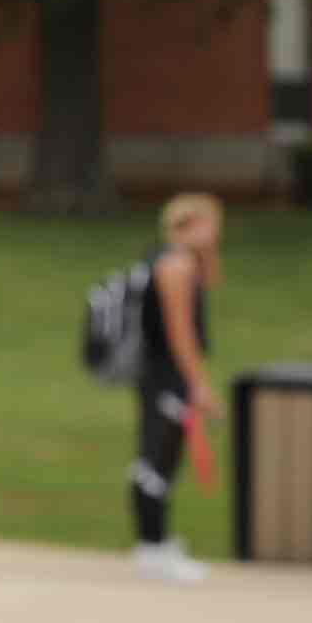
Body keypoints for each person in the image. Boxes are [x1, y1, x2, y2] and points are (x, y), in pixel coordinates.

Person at [128, 193, 221, 583]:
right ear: (191, 225)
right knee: (158, 458)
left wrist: (208, 252)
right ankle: (153, 545)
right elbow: (180, 331)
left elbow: (213, 281)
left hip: (164, 373)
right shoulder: (175, 266)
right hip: (166, 374)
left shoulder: (179, 262)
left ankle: (157, 543)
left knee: (165, 456)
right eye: (211, 224)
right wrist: (199, 384)